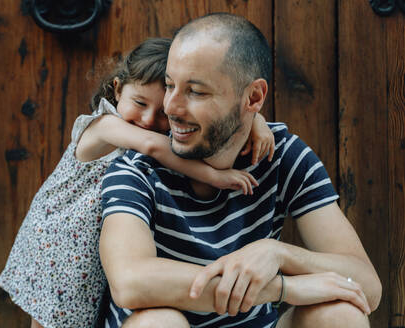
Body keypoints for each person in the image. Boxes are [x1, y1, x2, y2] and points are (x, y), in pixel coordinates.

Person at [99, 13, 382, 328]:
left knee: (340, 315)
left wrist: (278, 254)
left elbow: (367, 287)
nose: (172, 107)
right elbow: (130, 282)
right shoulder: (136, 167)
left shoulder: (283, 155)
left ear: (253, 98)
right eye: (170, 85)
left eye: (196, 91)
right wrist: (281, 287)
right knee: (158, 324)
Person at [0, 37, 275, 328]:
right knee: (52, 316)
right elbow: (153, 146)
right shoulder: (103, 125)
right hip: (60, 239)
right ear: (117, 89)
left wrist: (256, 120)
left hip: (103, 236)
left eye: (162, 112)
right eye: (139, 103)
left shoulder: (154, 122)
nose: (147, 118)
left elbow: (224, 107)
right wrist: (214, 176)